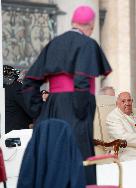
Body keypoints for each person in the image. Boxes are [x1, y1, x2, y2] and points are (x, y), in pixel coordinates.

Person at [22, 5, 112, 185]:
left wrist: (38, 111)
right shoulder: (87, 43)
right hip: (76, 109)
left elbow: (29, 81)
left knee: (53, 158)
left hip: (51, 109)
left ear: (73, 22)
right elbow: (81, 80)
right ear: (91, 27)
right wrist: (80, 111)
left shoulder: (54, 43)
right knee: (78, 159)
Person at [106, 92, 136, 161]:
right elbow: (123, 137)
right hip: (126, 153)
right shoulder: (112, 117)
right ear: (117, 104)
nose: (127, 103)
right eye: (123, 101)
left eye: (129, 100)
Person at [3, 65, 33, 133]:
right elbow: (31, 109)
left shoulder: (4, 89)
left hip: (5, 133)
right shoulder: (15, 87)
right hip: (17, 134)